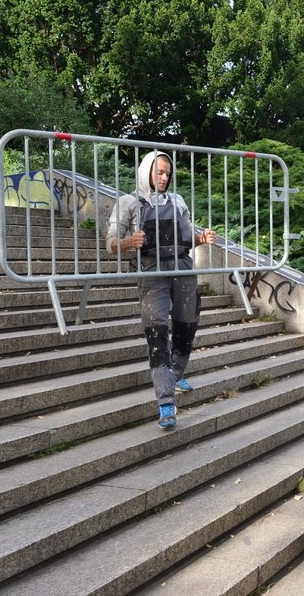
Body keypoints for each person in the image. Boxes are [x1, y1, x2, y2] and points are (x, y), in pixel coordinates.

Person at [106, 151, 216, 429]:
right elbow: (110, 243)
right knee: (157, 335)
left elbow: (188, 237)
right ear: (146, 172)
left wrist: (202, 238)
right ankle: (166, 401)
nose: (165, 178)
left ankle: (175, 373)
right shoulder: (128, 202)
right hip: (152, 275)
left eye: (168, 173)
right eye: (160, 172)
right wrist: (129, 242)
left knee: (186, 329)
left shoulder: (177, 201)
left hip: (183, 272)